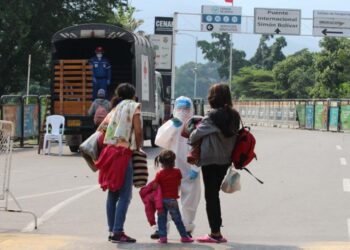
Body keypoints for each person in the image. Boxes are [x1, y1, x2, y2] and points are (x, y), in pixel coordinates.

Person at [188, 83, 241, 243]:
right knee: (214, 195)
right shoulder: (234, 116)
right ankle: (216, 230)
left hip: (210, 160)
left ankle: (215, 233)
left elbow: (194, 136)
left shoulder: (212, 117)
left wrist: (195, 126)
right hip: (226, 160)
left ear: (213, 98)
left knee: (211, 196)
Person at [95, 83, 142, 243]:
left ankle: (112, 230)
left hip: (109, 153)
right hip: (122, 153)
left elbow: (100, 130)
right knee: (125, 195)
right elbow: (139, 130)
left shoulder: (114, 109)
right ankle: (118, 231)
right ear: (133, 95)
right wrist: (139, 147)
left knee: (112, 193)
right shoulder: (134, 106)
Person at [154, 96, 201, 238]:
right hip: (170, 169)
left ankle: (187, 228)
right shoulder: (172, 124)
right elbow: (159, 140)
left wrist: (196, 168)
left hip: (190, 169)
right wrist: (174, 124)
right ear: (175, 109)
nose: (183, 111)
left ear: (191, 109)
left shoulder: (197, 124)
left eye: (186, 109)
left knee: (190, 201)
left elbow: (201, 147)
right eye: (180, 108)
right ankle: (160, 228)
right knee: (165, 200)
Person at [153, 150, 194, 244]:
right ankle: (184, 237)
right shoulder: (177, 172)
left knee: (161, 219)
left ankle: (163, 237)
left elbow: (155, 186)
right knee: (178, 220)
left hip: (161, 200)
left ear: (161, 163)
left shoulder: (159, 174)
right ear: (173, 162)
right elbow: (179, 183)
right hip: (172, 200)